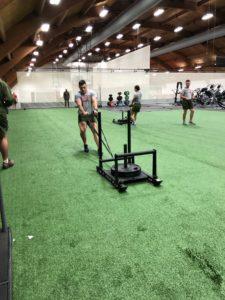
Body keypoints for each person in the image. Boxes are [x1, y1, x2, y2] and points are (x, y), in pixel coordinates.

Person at [75, 80, 99, 153]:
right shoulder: (77, 94)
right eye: (81, 88)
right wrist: (83, 112)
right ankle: (85, 144)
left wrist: (95, 109)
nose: (83, 89)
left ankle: (99, 148)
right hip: (82, 115)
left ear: (86, 86)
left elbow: (94, 101)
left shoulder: (92, 93)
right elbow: (79, 104)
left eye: (84, 87)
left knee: (95, 130)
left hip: (91, 115)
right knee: (83, 130)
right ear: (79, 87)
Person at [0, 79, 15, 169]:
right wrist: (4, 103)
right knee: (2, 137)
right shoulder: (2, 84)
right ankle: (6, 161)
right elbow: (9, 100)